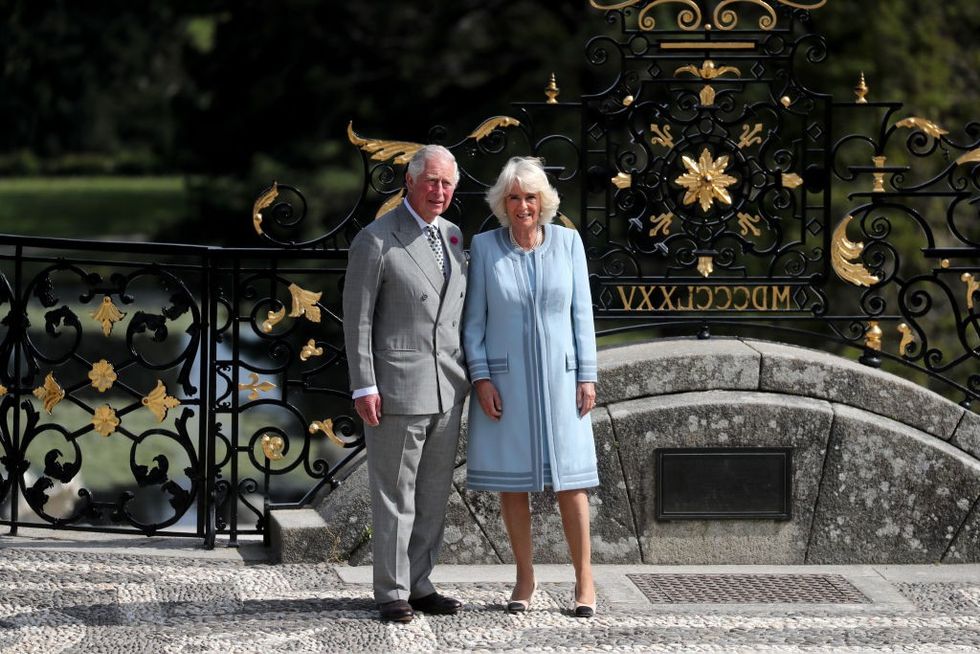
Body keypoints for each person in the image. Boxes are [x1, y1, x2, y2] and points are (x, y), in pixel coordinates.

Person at [462, 156, 599, 618]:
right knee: (513, 482)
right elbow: (473, 322)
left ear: (545, 202)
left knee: (571, 482)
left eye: (531, 197)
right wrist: (481, 377)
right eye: (515, 197)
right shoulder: (484, 248)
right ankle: (525, 577)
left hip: (563, 382)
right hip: (505, 382)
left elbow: (583, 313)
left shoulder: (569, 242)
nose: (523, 205)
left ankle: (584, 580)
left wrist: (588, 374)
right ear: (504, 202)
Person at [342, 144, 469, 623]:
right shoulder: (376, 240)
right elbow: (357, 321)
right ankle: (391, 590)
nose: (440, 191)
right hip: (395, 387)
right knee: (394, 495)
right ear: (410, 183)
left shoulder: (453, 236)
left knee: (434, 493)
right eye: (432, 181)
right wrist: (363, 386)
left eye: (447, 184)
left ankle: (419, 583)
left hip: (446, 388)